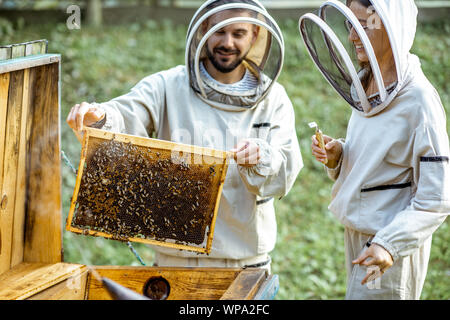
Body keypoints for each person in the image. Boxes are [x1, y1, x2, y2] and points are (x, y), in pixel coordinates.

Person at [67, 0, 303, 272]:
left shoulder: (274, 99)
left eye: (238, 33)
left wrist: (264, 156)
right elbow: (125, 114)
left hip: (246, 265)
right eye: (219, 31)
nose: (227, 42)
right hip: (173, 263)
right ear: (203, 28)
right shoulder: (167, 86)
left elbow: (286, 169)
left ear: (255, 35)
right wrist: (100, 116)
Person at [300, 0, 449, 299]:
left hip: (388, 247)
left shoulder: (419, 101)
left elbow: (437, 198)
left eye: (365, 25)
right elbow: (382, 156)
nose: (352, 36)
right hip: (360, 236)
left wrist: (390, 243)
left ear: (394, 27)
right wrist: (340, 154)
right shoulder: (371, 84)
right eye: (350, 25)